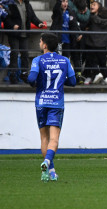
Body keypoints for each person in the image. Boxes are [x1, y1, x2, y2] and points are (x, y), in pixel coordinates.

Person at [27, 33, 76, 182]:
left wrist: (33, 83)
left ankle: (49, 172)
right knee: (54, 139)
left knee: (44, 137)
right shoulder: (65, 60)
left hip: (41, 102)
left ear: (45, 45)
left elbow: (31, 79)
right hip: (56, 103)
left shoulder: (38, 60)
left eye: (41, 41)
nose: (40, 43)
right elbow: (73, 81)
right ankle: (47, 163)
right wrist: (61, 83)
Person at [3, 0, 45, 84]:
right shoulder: (10, 4)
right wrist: (12, 26)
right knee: (14, 53)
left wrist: (39, 23)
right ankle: (13, 75)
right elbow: (5, 18)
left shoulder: (27, 4)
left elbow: (33, 17)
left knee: (25, 54)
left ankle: (24, 74)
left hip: (24, 34)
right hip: (14, 34)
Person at [84, 1, 107, 85]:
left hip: (92, 42)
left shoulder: (92, 18)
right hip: (103, 43)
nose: (91, 6)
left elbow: (86, 25)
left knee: (91, 60)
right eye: (91, 5)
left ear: (99, 7)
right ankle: (106, 78)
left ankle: (96, 74)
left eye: (94, 5)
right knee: (102, 62)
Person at [68, 0, 90, 84]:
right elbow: (73, 24)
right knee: (74, 57)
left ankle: (78, 75)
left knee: (78, 58)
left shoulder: (86, 13)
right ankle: (74, 76)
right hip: (73, 38)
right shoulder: (72, 12)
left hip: (80, 39)